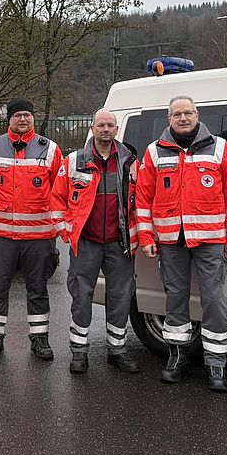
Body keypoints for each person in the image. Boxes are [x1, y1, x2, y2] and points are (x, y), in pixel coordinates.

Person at [136, 96, 227, 392]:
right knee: (175, 299)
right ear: (168, 119)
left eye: (188, 113)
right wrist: (146, 237)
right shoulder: (154, 152)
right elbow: (143, 200)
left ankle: (216, 362)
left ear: (197, 115)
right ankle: (177, 357)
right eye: (177, 114)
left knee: (213, 299)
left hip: (210, 240)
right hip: (170, 240)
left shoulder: (220, 148)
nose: (183, 118)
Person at [50, 110, 140, 375]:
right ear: (92, 128)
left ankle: (117, 350)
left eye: (110, 125)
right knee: (81, 296)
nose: (105, 129)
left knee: (121, 297)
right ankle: (79, 352)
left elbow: (141, 200)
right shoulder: (73, 161)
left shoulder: (129, 161)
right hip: (86, 242)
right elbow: (57, 199)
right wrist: (66, 231)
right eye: (101, 124)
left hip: (119, 242)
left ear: (116, 129)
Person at [0, 97, 63, 360]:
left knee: (38, 289)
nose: (22, 119)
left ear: (33, 118)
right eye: (17, 116)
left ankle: (40, 340)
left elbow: (60, 190)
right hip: (1, 236)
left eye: (27, 115)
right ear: (9, 120)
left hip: (38, 237)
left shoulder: (50, 149)